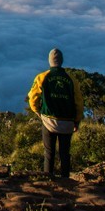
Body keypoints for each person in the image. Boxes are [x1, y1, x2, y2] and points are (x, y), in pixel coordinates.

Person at [27, 48, 84, 178]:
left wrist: (38, 112)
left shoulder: (42, 77)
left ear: (49, 61)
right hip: (68, 122)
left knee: (49, 152)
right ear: (62, 61)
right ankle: (66, 180)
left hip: (48, 121)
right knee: (65, 153)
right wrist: (77, 120)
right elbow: (79, 102)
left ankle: (48, 179)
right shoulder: (71, 79)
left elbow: (33, 98)